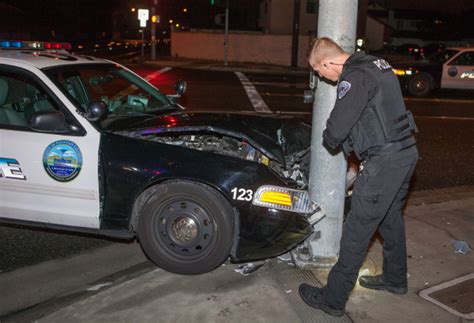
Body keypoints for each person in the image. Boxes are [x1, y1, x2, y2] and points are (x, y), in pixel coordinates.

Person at [298, 37, 419, 317]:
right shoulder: (376, 63)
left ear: (328, 62)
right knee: (389, 220)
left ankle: (332, 298)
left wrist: (330, 136)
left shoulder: (354, 77)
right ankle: (395, 278)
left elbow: (337, 130)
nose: (321, 77)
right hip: (405, 154)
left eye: (319, 71)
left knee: (355, 232)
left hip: (384, 163)